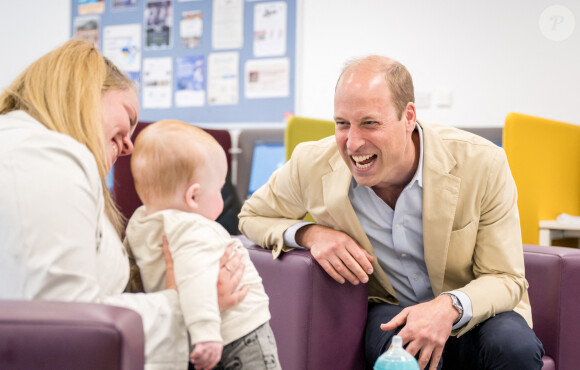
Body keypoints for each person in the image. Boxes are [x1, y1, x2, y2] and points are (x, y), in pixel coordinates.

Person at [238, 55, 545, 369]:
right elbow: (252, 217)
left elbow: (505, 278)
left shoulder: (482, 163)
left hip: (473, 312)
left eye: (370, 123)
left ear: (408, 116)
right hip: (389, 312)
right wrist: (310, 233)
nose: (352, 143)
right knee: (408, 355)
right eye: (342, 123)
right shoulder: (311, 163)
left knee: (514, 348)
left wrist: (447, 306)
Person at [0, 39, 247, 370]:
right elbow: (68, 331)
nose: (130, 145)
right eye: (128, 118)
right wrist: (187, 306)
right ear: (82, 91)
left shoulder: (38, 154)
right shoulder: (44, 157)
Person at [125, 120, 281, 370]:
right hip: (241, 333)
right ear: (193, 196)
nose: (223, 196)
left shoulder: (139, 223)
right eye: (220, 189)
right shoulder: (193, 228)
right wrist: (206, 334)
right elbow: (195, 280)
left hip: (183, 335)